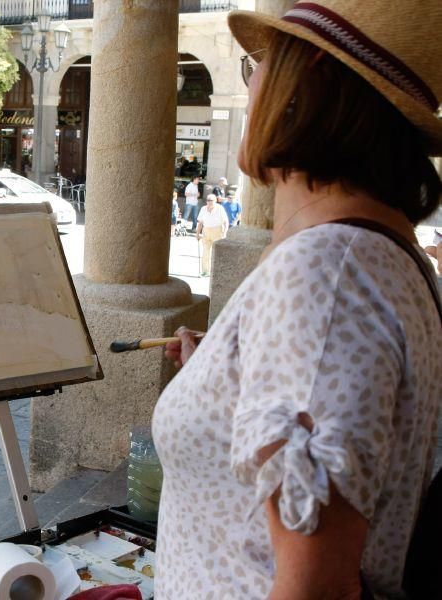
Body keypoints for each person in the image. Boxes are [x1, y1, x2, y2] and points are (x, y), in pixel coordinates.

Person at [157, 3, 442, 598]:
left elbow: (316, 587)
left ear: (302, 77)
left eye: (257, 63)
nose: (252, 81)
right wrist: (225, 376)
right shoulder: (378, 259)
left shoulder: (327, 275)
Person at [195, 194, 228, 276]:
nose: (209, 202)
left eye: (211, 200)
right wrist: (197, 234)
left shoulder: (220, 208)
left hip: (217, 230)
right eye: (208, 200)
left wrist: (225, 232)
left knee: (217, 252)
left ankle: (218, 271)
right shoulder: (203, 209)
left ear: (215, 201)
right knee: (206, 252)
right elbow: (200, 223)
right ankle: (205, 271)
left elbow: (226, 222)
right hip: (206, 231)